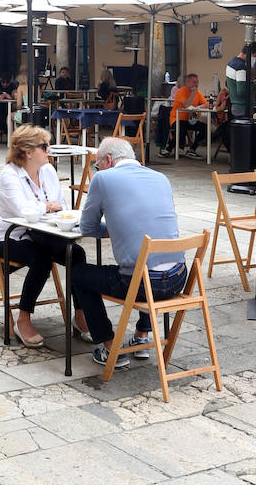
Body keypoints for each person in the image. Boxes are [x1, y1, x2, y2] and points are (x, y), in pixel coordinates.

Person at [73, 136, 186, 366]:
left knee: (78, 274)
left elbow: (87, 227)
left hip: (143, 284)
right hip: (178, 278)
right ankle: (142, 335)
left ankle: (109, 347)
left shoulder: (104, 179)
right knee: (147, 258)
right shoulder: (160, 178)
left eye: (97, 164)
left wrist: (114, 229)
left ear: (107, 159)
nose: (97, 169)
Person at [0, 124, 87, 347]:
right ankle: (23, 318)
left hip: (44, 231)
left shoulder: (48, 171)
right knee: (42, 259)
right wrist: (47, 207)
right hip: (11, 236)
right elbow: (21, 211)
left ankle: (81, 314)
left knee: (77, 253)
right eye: (44, 146)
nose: (49, 150)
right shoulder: (10, 175)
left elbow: (61, 205)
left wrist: (46, 208)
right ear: (28, 152)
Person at [169, 73, 208, 157]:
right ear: (187, 83)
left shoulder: (198, 92)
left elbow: (206, 104)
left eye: (197, 82)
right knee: (181, 127)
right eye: (194, 82)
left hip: (190, 120)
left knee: (205, 128)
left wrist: (197, 107)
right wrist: (193, 93)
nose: (196, 84)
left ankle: (192, 149)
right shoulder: (180, 92)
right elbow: (187, 105)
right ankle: (168, 148)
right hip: (177, 119)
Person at [226, 42, 256, 118]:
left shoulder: (231, 63)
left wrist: (253, 82)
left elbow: (239, 84)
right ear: (250, 53)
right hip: (243, 108)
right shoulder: (240, 67)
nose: (254, 60)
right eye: (254, 56)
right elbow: (242, 90)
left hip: (235, 107)